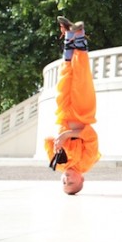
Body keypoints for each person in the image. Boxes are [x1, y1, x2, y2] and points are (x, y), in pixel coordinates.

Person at [44, 16, 99, 195]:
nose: (67, 179)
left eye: (64, 182)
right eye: (71, 182)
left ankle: (68, 35)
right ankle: (80, 34)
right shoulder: (87, 162)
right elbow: (91, 137)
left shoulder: (58, 163)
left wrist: (57, 141)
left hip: (64, 113)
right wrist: (68, 135)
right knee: (81, 77)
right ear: (82, 179)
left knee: (65, 76)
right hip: (82, 113)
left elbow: (48, 139)